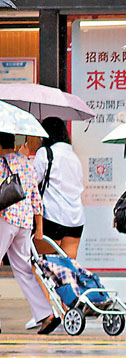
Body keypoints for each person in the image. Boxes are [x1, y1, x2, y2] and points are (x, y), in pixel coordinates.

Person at [0, 131, 59, 335]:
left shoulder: (0, 163)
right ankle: (45, 315)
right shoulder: (26, 163)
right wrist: (39, 228)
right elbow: (35, 196)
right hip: (25, 223)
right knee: (24, 269)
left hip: (5, 219)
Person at [32, 117, 84, 260]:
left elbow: (32, 182)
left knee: (42, 263)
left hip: (52, 216)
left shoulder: (46, 153)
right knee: (68, 267)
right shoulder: (74, 157)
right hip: (76, 218)